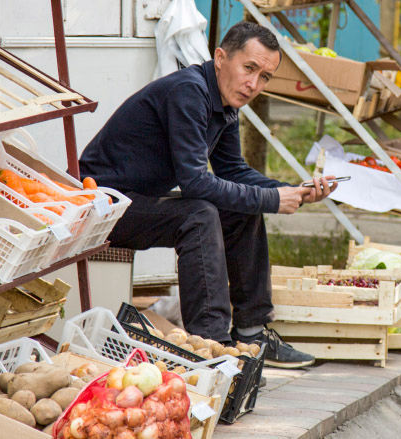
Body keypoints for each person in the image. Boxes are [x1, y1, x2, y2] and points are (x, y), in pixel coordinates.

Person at [79, 21, 338, 369]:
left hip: (136, 202)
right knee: (199, 213)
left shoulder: (225, 102)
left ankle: (251, 333)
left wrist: (292, 192)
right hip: (102, 207)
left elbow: (232, 171)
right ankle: (211, 348)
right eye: (249, 68)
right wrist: (274, 200)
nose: (253, 84)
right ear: (220, 57)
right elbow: (195, 184)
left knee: (239, 208)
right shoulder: (189, 93)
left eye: (264, 77)